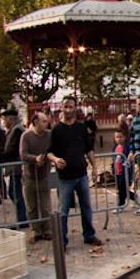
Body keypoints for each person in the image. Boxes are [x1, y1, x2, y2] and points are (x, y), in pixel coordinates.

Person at [48, 96, 102, 248]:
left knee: (86, 207)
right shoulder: (57, 130)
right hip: (65, 177)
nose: (68, 110)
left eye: (71, 107)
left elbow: (89, 149)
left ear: (75, 108)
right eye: (65, 107)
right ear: (61, 108)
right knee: (63, 211)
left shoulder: (81, 127)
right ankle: (62, 241)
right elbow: (49, 152)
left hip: (81, 174)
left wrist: (95, 168)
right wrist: (56, 159)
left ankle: (89, 235)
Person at [19, 112, 53, 242]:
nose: (46, 124)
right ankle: (36, 230)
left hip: (44, 174)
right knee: (31, 206)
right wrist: (35, 159)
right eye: (43, 121)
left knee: (45, 205)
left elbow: (53, 149)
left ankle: (47, 229)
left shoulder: (49, 135)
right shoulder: (26, 136)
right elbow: (23, 154)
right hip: (29, 176)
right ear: (35, 122)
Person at [1, 107, 28, 227]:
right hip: (14, 166)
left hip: (16, 166)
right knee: (13, 191)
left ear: (10, 119)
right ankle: (21, 218)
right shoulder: (14, 129)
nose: (4, 122)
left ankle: (22, 220)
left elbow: (11, 150)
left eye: (5, 119)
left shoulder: (17, 130)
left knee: (15, 192)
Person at [111, 129, 132, 212]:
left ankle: (121, 205)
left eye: (120, 137)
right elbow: (113, 159)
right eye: (116, 137)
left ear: (125, 137)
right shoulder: (114, 147)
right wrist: (113, 168)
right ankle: (133, 196)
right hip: (117, 171)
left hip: (125, 171)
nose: (118, 139)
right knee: (121, 188)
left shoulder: (127, 147)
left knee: (122, 188)